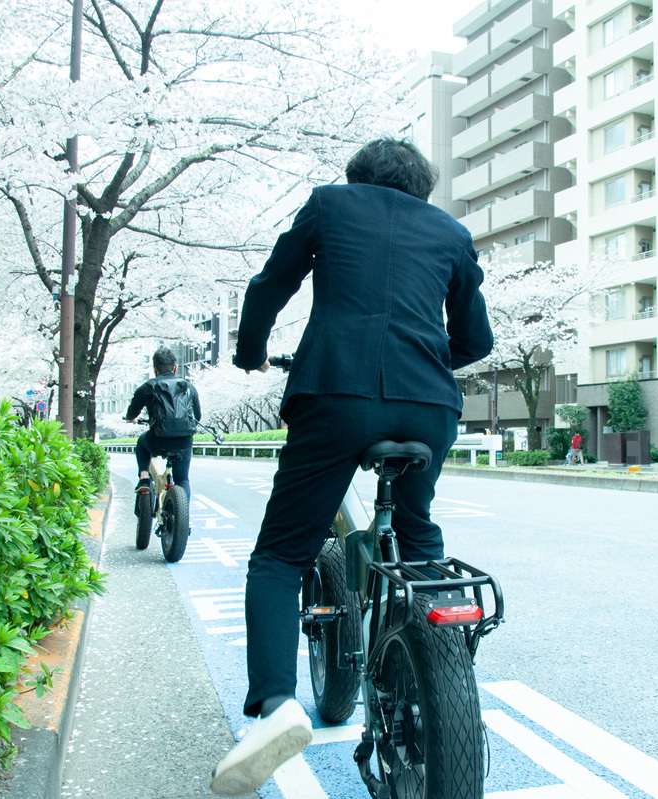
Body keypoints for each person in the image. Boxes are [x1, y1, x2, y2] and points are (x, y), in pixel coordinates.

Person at [211, 138, 494, 796]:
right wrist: (421, 356)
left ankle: (277, 703)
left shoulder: (330, 206)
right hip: (428, 404)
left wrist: (251, 351)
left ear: (358, 176)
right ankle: (441, 653)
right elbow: (476, 338)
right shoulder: (451, 232)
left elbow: (270, 285)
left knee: (282, 554)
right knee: (420, 535)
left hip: (335, 392)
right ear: (422, 185)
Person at [124, 346, 202, 500]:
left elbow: (131, 414)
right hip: (184, 442)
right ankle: (183, 522)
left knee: (141, 442)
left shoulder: (147, 388)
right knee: (182, 480)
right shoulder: (188, 387)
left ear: (154, 368)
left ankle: (144, 478)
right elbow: (197, 417)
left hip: (158, 441)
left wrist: (131, 419)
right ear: (175, 368)